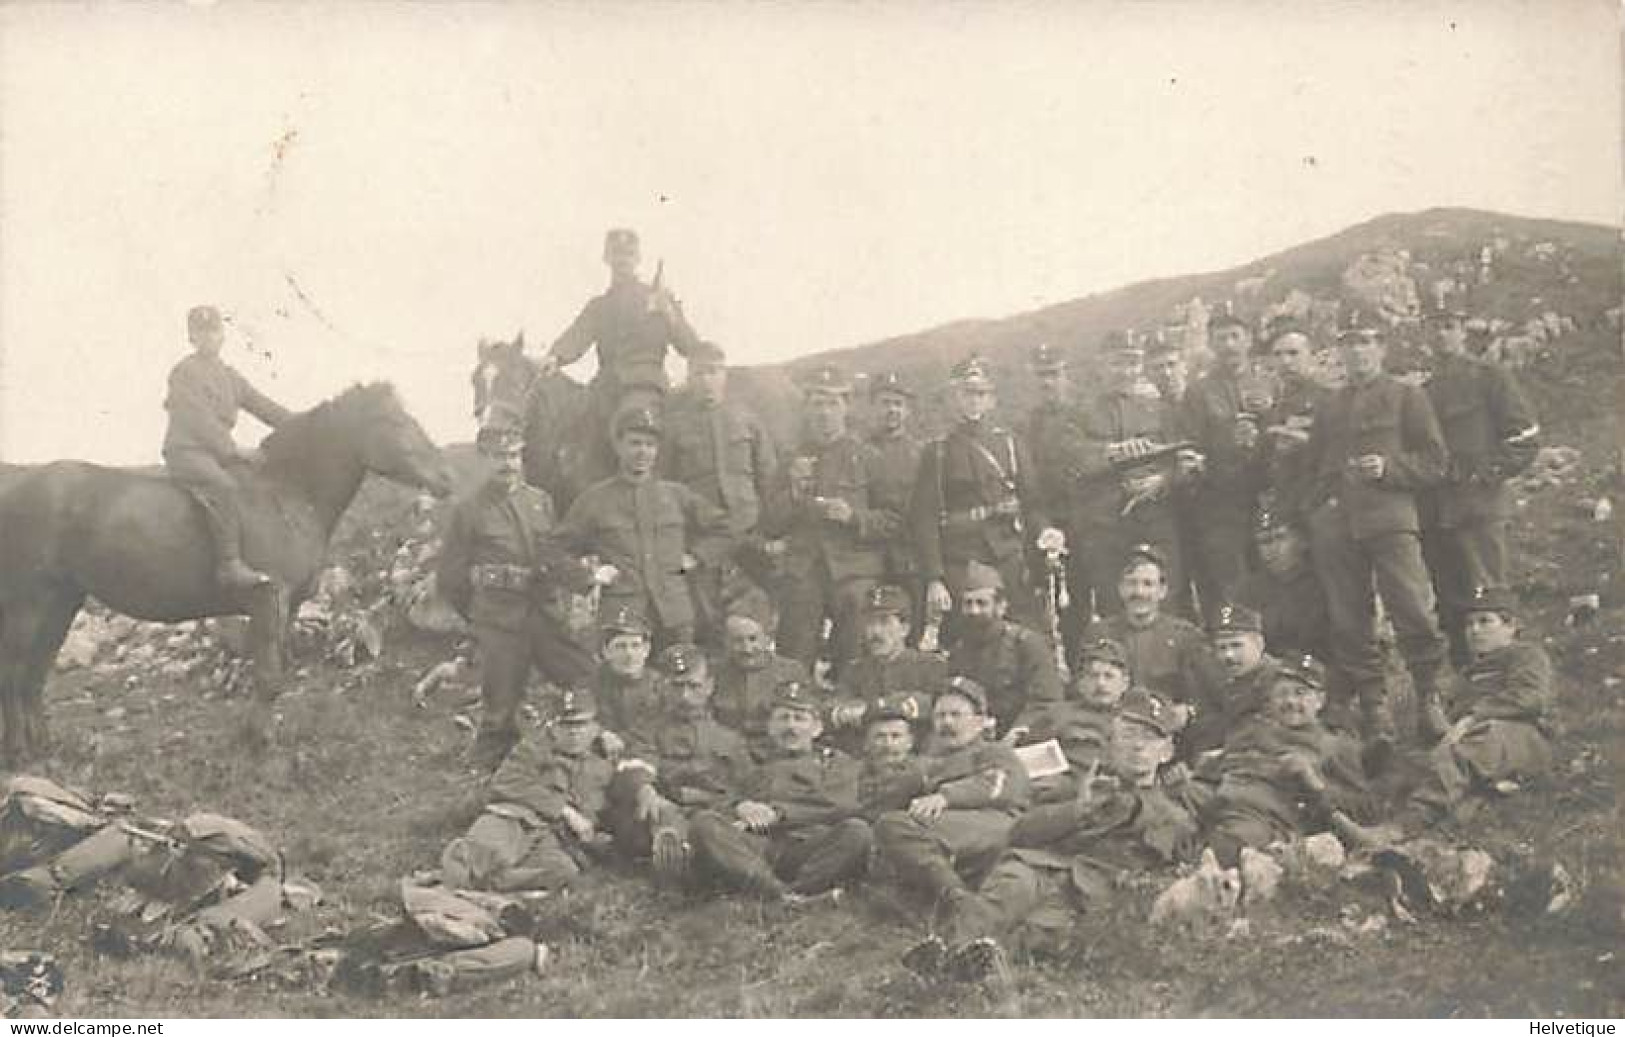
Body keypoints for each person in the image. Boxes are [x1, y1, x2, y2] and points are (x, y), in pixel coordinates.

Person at [921, 703, 1207, 977]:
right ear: (1108, 746)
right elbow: (1020, 830)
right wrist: (1077, 810)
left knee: (1039, 933)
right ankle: (948, 951)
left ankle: (973, 964)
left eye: (1150, 739)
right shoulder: (1074, 786)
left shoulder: (1174, 811)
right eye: (1128, 735)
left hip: (1089, 895)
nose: (1138, 746)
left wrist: (1123, 806)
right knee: (1011, 884)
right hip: (1043, 869)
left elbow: (1165, 852)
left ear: (1166, 752)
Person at [1303, 314, 1451, 756]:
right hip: (1336, 525)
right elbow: (1316, 464)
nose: (1357, 352)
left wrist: (1391, 469)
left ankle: (1429, 698)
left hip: (1389, 518)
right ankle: (1375, 709)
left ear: (1381, 348)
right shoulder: (1330, 405)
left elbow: (1435, 460)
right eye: (1348, 343)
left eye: (1365, 342)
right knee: (1348, 619)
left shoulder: (1408, 395)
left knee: (1413, 609)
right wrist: (1315, 509)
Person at [438, 423, 597, 768]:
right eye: (498, 457)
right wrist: (481, 617)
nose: (508, 464)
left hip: (545, 615)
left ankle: (585, 751)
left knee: (584, 675)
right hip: (500, 622)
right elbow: (450, 579)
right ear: (484, 460)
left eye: (513, 455)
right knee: (500, 709)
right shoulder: (468, 511)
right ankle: (486, 777)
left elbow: (553, 556)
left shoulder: (540, 501)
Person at [551, 406, 734, 648]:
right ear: (618, 445)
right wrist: (589, 576)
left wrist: (696, 557)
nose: (642, 452)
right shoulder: (595, 500)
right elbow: (554, 551)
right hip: (623, 618)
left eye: (650, 445)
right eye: (634, 443)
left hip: (675, 615)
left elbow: (725, 529)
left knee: (678, 681)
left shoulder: (676, 495)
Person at [1419, 306, 1541, 666]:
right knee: (1451, 605)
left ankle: (1512, 681)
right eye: (1433, 329)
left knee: (1489, 600)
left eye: (1449, 326)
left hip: (1478, 510)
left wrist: (1483, 474)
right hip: (1437, 516)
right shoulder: (1424, 391)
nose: (1441, 335)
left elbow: (1525, 438)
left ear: (1462, 332)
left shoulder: (1490, 377)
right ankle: (1467, 688)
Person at [760, 364, 894, 671]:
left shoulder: (869, 458)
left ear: (846, 406)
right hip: (804, 571)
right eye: (817, 403)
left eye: (833, 403)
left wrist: (854, 517)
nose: (824, 413)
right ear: (806, 408)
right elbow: (769, 523)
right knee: (793, 658)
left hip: (855, 572)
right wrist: (793, 492)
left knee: (858, 658)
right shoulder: (790, 459)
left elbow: (893, 520)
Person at [539, 228, 702, 478]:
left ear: (637, 259)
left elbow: (690, 346)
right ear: (607, 259)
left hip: (644, 387)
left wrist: (669, 313)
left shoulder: (658, 297)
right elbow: (577, 335)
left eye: (628, 254)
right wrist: (556, 357)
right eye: (616, 254)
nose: (622, 260)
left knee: (636, 431)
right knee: (567, 429)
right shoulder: (599, 306)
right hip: (605, 388)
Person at [912, 356, 1057, 632]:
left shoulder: (1011, 445)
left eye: (981, 394)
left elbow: (1033, 503)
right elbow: (924, 519)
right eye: (966, 393)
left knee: (1026, 631)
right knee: (968, 634)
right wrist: (934, 577)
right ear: (953, 398)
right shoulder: (938, 452)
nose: (973, 401)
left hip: (1009, 556)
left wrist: (1046, 531)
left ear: (992, 399)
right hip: (962, 559)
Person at [688, 682, 869, 900]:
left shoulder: (834, 763)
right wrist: (739, 805)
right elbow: (718, 794)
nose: (790, 727)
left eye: (799, 718)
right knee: (705, 822)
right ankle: (779, 894)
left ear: (817, 728)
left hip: (810, 845)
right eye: (783, 718)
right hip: (757, 846)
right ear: (770, 726)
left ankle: (800, 890)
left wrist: (779, 813)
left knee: (856, 831)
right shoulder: (748, 759)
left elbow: (840, 803)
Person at [1199, 655, 1379, 867]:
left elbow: (1366, 808)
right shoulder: (1252, 731)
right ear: (1270, 701)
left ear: (1320, 700)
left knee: (1229, 843)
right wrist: (1208, 765)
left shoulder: (1334, 745)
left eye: (1300, 693)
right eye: (1282, 694)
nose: (1291, 702)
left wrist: (1314, 782)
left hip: (1266, 815)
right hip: (1217, 798)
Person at [1069, 332, 1200, 621]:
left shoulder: (1160, 409)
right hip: (1106, 525)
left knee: (1167, 603)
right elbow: (1071, 459)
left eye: (1132, 363)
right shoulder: (1079, 412)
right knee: (1114, 605)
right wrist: (1112, 452)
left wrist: (1163, 480)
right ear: (1100, 366)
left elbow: (1185, 457)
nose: (1125, 371)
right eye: (1117, 363)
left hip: (1156, 520)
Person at [874, 677, 1032, 914]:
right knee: (889, 829)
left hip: (995, 825)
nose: (947, 722)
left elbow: (1001, 784)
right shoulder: (928, 763)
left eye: (956, 715)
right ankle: (948, 896)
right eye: (940, 716)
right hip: (952, 833)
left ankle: (956, 901)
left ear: (979, 722)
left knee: (898, 827)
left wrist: (945, 797)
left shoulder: (993, 751)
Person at [162, 304, 292, 590]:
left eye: (214, 331)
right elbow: (198, 420)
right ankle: (229, 564)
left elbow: (264, 406)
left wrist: (304, 424)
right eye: (201, 332)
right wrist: (234, 450)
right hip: (188, 451)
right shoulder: (183, 373)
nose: (209, 337)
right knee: (224, 487)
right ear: (191, 337)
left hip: (215, 454)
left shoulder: (231, 378)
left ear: (222, 335)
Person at [1401, 586, 1554, 821]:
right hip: (1479, 745)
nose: (1474, 630)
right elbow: (1449, 723)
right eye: (1469, 624)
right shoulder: (1466, 674)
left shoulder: (1527, 655)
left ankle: (1410, 821)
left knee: (1484, 735)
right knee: (1411, 761)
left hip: (1522, 738)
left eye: (1485, 622)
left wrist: (1470, 719)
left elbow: (1529, 698)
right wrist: (1439, 719)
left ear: (1510, 626)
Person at [439, 689, 614, 893]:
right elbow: (507, 782)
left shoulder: (604, 761)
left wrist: (597, 836)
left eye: (581, 724)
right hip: (515, 819)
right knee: (479, 856)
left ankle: (485, 890)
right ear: (553, 726)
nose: (574, 732)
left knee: (562, 871)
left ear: (596, 727)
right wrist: (565, 811)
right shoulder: (533, 748)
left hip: (553, 838)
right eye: (565, 724)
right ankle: (446, 892)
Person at [602, 644, 752, 878]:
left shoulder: (729, 737)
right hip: (662, 807)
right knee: (644, 818)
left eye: (693, 686)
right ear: (662, 687)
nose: (684, 696)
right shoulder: (648, 729)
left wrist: (735, 805)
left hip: (712, 812)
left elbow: (745, 786)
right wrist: (644, 789)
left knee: (713, 829)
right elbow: (636, 763)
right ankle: (676, 853)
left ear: (710, 686)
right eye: (677, 686)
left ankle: (685, 859)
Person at [661, 341, 778, 638]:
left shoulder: (747, 419)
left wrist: (769, 527)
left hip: (749, 529)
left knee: (762, 606)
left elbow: (768, 475)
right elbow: (666, 486)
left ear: (724, 375)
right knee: (706, 612)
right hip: (703, 535)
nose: (706, 381)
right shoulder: (675, 427)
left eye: (713, 372)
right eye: (699, 373)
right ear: (689, 378)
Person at [1180, 311, 1275, 621]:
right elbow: (1191, 444)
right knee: (1230, 585)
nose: (1229, 345)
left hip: (1268, 496)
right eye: (1221, 338)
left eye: (1236, 336)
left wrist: (1269, 416)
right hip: (1221, 501)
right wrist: (1225, 444)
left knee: (1274, 576)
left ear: (1249, 339)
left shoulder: (1270, 383)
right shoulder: (1199, 391)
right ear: (1210, 343)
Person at [1015, 637, 1187, 802]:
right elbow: (1031, 762)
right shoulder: (1057, 716)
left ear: (1125, 682)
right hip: (1071, 796)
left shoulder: (1143, 715)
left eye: (1109, 676)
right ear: (1080, 683)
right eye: (1092, 676)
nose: (1101, 684)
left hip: (1136, 793)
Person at [1081, 544, 1224, 713]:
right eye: (1132, 583)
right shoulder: (1099, 634)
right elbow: (1083, 690)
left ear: (1162, 591)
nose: (1139, 592)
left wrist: (1187, 712)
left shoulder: (1185, 636)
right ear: (1120, 588)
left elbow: (1207, 696)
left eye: (1148, 584)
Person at [946, 562, 1063, 738]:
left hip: (1023, 735)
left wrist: (1017, 732)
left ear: (1001, 607)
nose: (974, 611)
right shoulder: (959, 651)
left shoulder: (1027, 644)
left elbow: (1046, 701)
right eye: (968, 604)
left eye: (982, 603)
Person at [828, 584, 946, 744]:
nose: (875, 632)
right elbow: (833, 709)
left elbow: (934, 706)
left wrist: (870, 708)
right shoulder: (855, 670)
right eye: (870, 623)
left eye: (884, 622)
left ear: (904, 629)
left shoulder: (929, 666)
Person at [712, 596, 811, 754]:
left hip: (776, 755)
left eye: (753, 639)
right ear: (726, 641)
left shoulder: (791, 671)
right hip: (727, 754)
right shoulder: (714, 673)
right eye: (737, 641)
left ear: (767, 637)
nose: (747, 649)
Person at [1184, 603, 1280, 756]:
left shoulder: (1278, 682)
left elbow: (1269, 737)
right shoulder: (1220, 681)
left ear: (1259, 644)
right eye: (1222, 648)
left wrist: (1223, 754)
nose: (1228, 655)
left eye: (1236, 646)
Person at [1259, 317, 1329, 522]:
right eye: (1278, 355)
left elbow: (1344, 452)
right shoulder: (1272, 408)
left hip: (1323, 507)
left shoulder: (1331, 399)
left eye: (1293, 353)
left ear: (1313, 356)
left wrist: (1303, 442)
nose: (1285, 361)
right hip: (1287, 509)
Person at [865, 372, 926, 594]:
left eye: (898, 404)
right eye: (885, 403)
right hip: (869, 554)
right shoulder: (859, 451)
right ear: (872, 407)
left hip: (911, 554)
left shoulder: (921, 454)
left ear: (908, 410)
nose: (892, 410)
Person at [592, 606, 663, 761]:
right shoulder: (593, 684)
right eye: (620, 646)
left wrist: (621, 741)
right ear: (606, 651)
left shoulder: (662, 686)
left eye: (635, 646)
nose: (629, 654)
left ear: (647, 649)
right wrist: (600, 733)